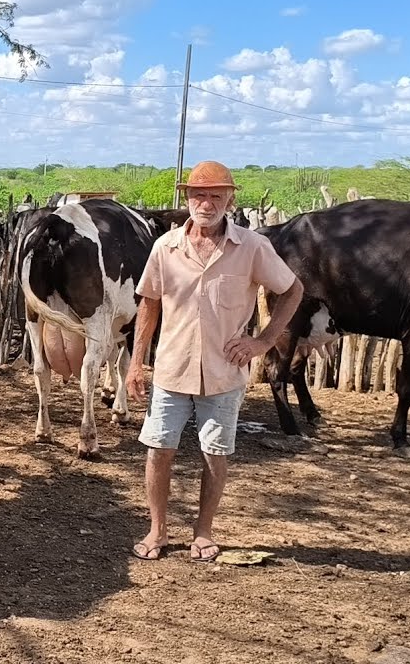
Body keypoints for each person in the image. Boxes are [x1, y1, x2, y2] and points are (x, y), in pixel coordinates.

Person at [125, 160, 304, 563]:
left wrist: (264, 341)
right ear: (187, 198)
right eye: (199, 195)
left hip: (224, 372)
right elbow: (149, 303)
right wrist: (136, 363)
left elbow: (293, 290)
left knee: (214, 453)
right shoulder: (166, 247)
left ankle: (203, 532)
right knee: (159, 449)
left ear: (229, 200)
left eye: (215, 196)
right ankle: (157, 530)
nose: (206, 203)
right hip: (171, 368)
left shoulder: (252, 247)